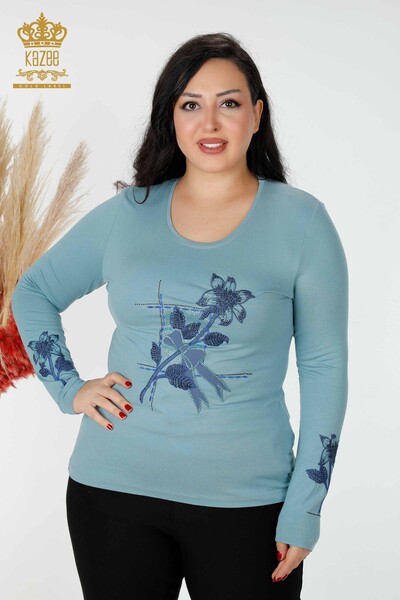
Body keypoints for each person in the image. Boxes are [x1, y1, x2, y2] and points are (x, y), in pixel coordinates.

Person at [11, 32, 349, 600]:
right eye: (191, 104)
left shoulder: (302, 223)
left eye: (229, 102)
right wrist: (68, 388)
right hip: (111, 495)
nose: (210, 122)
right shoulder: (129, 212)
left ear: (257, 115)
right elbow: (34, 291)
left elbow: (324, 368)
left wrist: (306, 506)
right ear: (171, 117)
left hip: (249, 504)